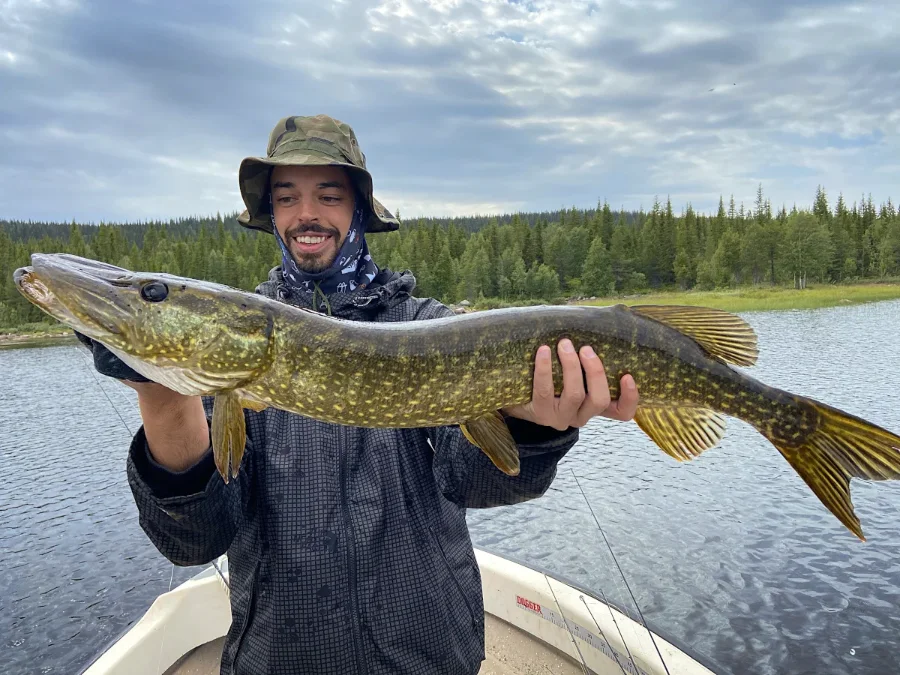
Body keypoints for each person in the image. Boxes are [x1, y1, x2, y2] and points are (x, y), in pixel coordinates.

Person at [79, 114, 639, 675]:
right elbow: (195, 541)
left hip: (427, 653)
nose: (307, 214)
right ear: (272, 214)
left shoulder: (426, 325)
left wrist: (534, 426)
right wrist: (160, 394)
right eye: (286, 197)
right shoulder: (232, 347)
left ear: (359, 211)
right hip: (284, 658)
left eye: (329, 195)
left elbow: (475, 480)